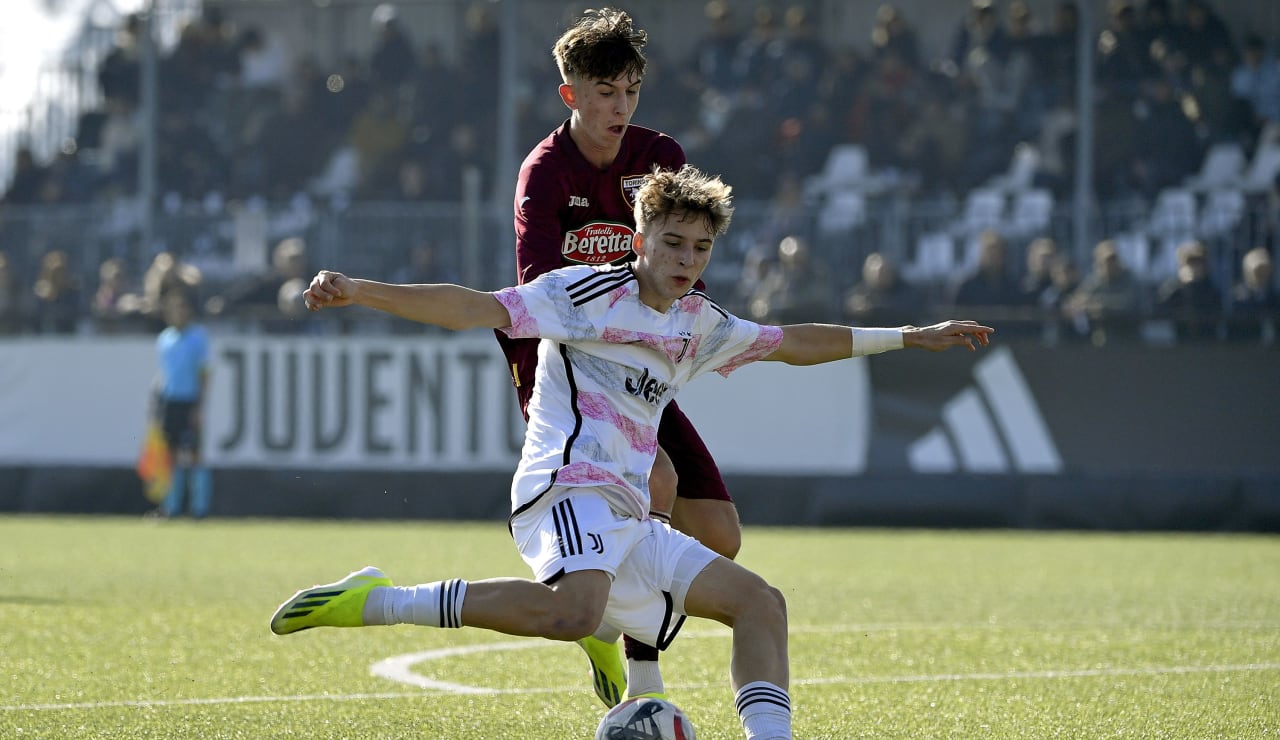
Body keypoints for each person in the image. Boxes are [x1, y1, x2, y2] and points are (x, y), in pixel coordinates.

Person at [273, 165, 993, 739]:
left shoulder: (698, 323)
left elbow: (794, 341)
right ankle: (380, 601)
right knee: (576, 614)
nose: (687, 259)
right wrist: (360, 291)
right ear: (640, 236)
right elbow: (477, 308)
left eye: (701, 248)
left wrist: (909, 335)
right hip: (566, 484)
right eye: (674, 243)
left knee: (760, 604)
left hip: (626, 509)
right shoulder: (583, 292)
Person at [493, 7, 719, 706]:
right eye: (604, 93)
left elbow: (687, 266)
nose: (619, 107)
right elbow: (537, 295)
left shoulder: (661, 157)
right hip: (562, 368)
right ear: (571, 95)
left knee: (720, 537)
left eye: (630, 92)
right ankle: (644, 689)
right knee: (654, 482)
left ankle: (604, 615)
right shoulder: (544, 174)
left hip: (642, 364)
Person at [153, 289, 213, 518]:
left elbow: (205, 373)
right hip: (170, 401)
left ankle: (200, 509)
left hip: (189, 401)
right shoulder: (165, 338)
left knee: (195, 455)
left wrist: (199, 406)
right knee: (171, 455)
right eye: (173, 308)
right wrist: (156, 401)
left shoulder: (198, 337)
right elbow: (163, 373)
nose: (178, 312)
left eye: (182, 307)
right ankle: (171, 508)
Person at [1226, 246, 1278, 342]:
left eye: (1265, 269)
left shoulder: (1274, 298)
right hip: (1246, 349)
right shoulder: (1238, 298)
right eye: (1258, 270)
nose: (1262, 274)